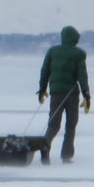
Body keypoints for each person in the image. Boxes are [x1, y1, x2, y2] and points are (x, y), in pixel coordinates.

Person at [37, 25, 91, 162]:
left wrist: (42, 89)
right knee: (71, 125)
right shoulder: (79, 54)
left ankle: (45, 146)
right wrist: (86, 94)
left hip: (55, 93)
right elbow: (82, 76)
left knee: (53, 124)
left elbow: (45, 71)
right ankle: (66, 156)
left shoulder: (52, 51)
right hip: (71, 95)